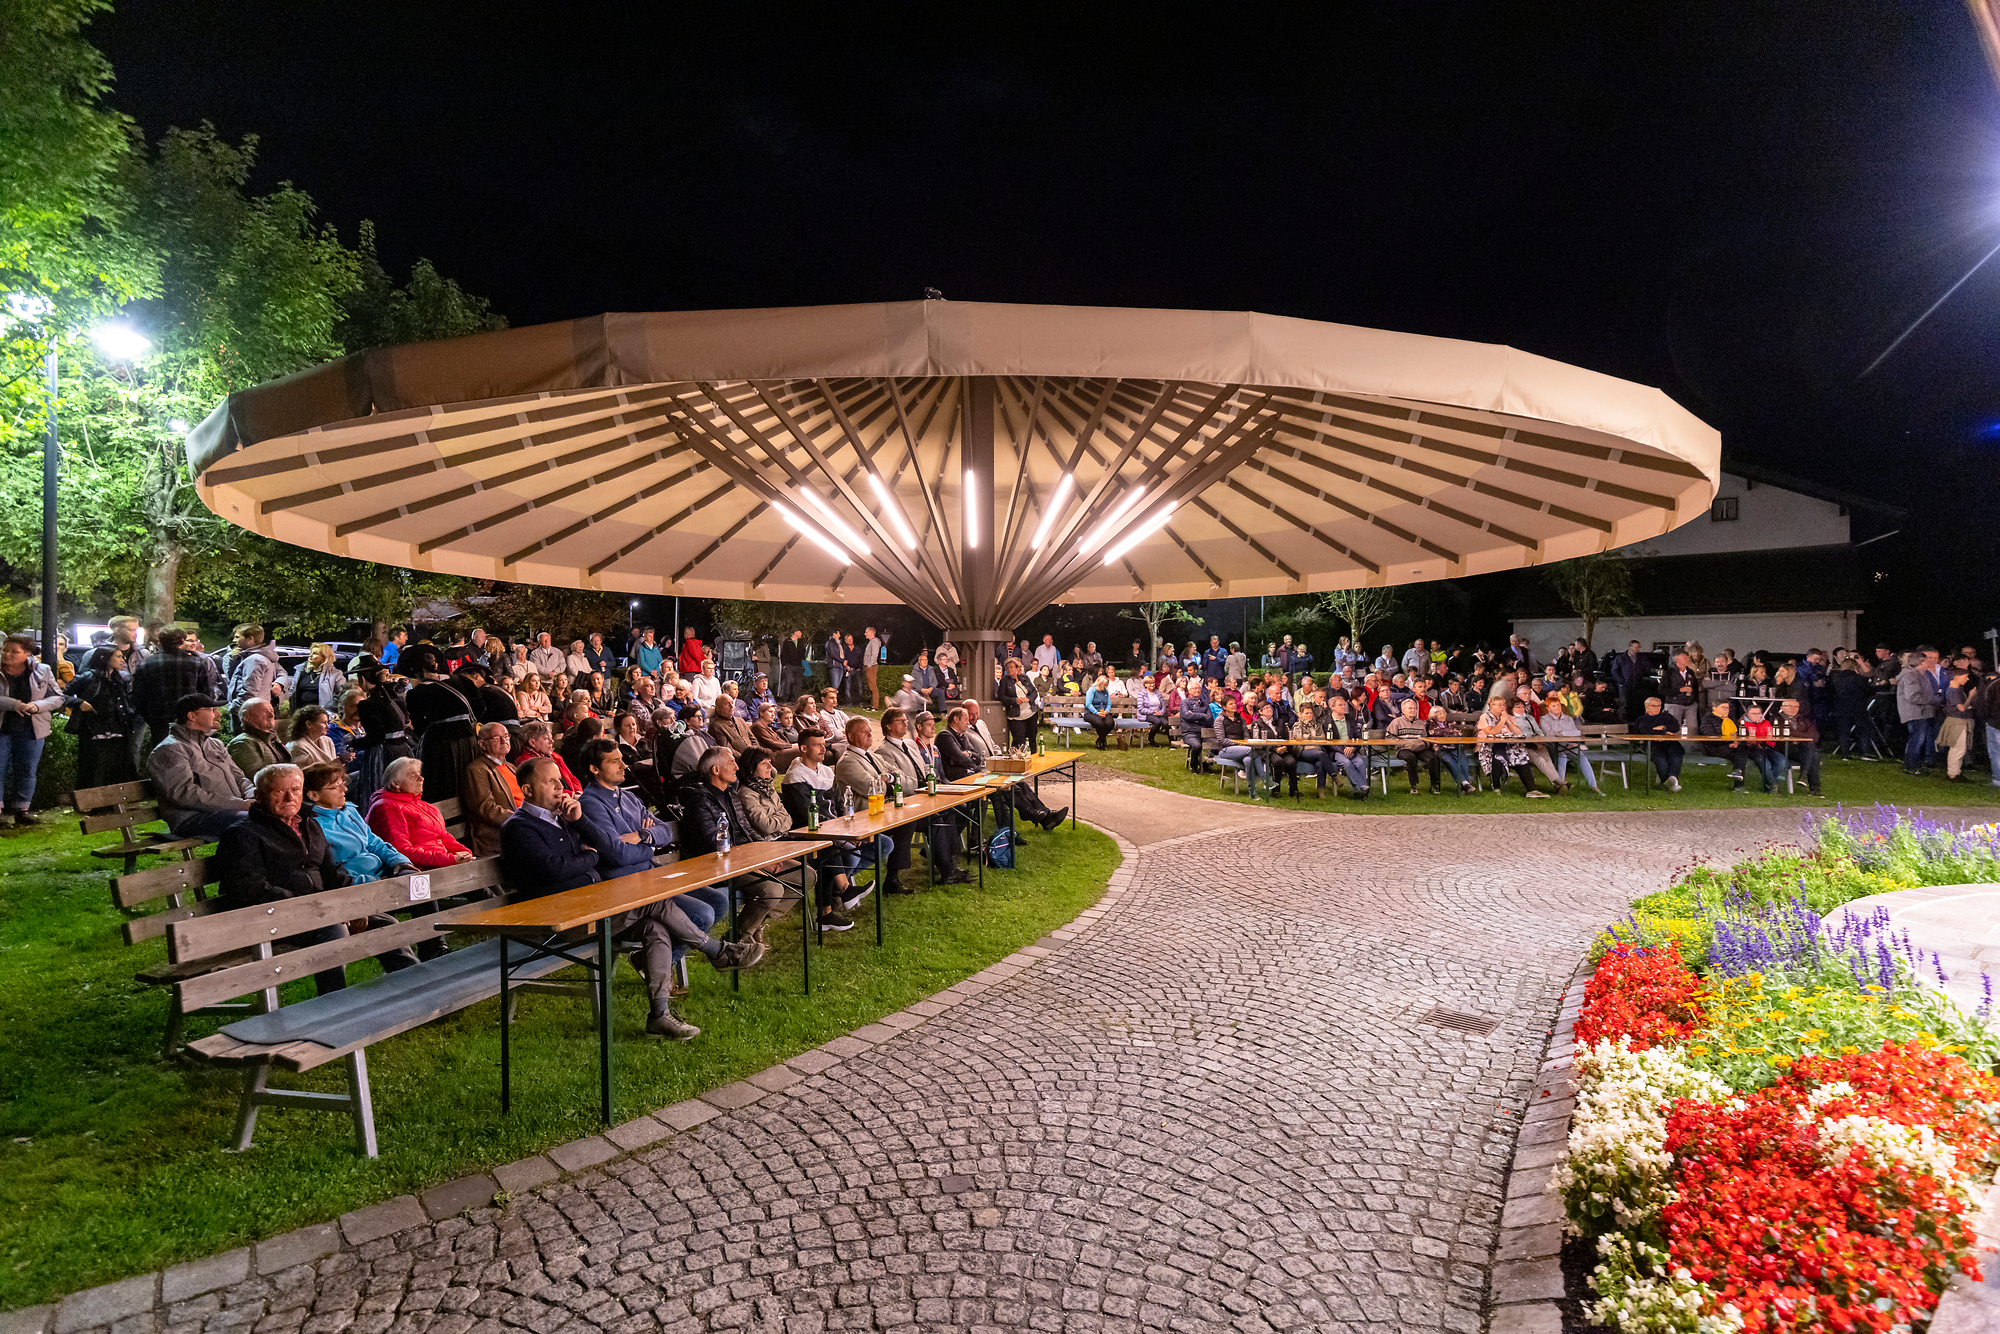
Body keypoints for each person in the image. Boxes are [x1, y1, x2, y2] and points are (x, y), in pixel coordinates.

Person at [217, 764, 418, 995]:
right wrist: (319, 909)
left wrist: (351, 905)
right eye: (278, 791)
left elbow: (332, 874)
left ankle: (416, 989)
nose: (289, 797)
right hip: (271, 919)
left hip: (319, 911)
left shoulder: (309, 825)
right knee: (333, 931)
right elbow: (250, 888)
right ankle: (334, 1002)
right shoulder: (242, 834)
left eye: (295, 789)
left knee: (385, 924)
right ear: (260, 796)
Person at [148, 694, 255, 838]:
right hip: (193, 818)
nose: (219, 713)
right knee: (253, 823)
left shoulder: (215, 745)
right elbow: (184, 794)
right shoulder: (170, 749)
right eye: (211, 710)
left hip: (230, 811)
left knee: (280, 814)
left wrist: (254, 798)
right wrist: (239, 805)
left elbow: (239, 777)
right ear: (192, 716)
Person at [301, 762, 419, 883]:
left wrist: (400, 861)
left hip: (381, 870)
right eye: (335, 787)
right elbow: (332, 872)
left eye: (343, 784)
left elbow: (374, 843)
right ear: (314, 795)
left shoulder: (349, 811)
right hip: (359, 883)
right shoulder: (312, 826)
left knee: (419, 884)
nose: (345, 789)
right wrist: (373, 881)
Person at [366, 758, 476, 868]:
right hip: (418, 871)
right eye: (413, 776)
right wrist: (449, 859)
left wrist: (464, 852)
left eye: (420, 774)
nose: (421, 778)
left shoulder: (426, 806)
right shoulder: (386, 807)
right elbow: (400, 851)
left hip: (441, 864)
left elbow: (444, 836)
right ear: (396, 784)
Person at [131, 627, 221, 759]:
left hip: (159, 719)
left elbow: (138, 696)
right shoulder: (196, 663)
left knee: (163, 757)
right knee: (193, 756)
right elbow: (207, 695)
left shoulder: (146, 664)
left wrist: (149, 716)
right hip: (190, 719)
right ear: (182, 641)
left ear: (159, 641)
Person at [66, 644, 140, 791]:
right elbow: (60, 694)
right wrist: (78, 702)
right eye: (118, 656)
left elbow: (126, 701)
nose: (122, 660)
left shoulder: (121, 678)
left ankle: (114, 800)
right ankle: (91, 800)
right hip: (93, 726)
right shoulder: (88, 677)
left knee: (117, 764)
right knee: (94, 764)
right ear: (105, 658)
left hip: (118, 726)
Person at [348, 655, 414, 805]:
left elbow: (376, 737)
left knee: (383, 793)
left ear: (362, 679)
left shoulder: (367, 704)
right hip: (402, 750)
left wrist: (354, 743)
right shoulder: (395, 698)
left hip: (384, 754)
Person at [463, 722, 523, 858]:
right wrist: (521, 819)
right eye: (496, 738)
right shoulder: (477, 770)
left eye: (506, 736)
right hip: (499, 834)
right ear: (482, 744)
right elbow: (486, 808)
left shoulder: (510, 766)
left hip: (522, 825)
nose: (504, 741)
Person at [221, 625, 286, 730]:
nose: (234, 640)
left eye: (237, 637)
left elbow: (249, 692)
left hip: (248, 714)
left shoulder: (255, 660)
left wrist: (234, 708)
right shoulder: (251, 657)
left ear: (250, 639)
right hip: (253, 712)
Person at [1386, 697, 1443, 795]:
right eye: (1410, 708)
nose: (1413, 710)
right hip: (1404, 749)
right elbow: (1389, 738)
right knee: (1411, 758)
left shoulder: (1421, 723)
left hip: (1420, 749)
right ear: (1403, 710)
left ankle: (1435, 786)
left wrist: (1424, 744)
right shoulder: (1396, 722)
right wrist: (1403, 743)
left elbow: (1426, 739)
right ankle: (1414, 786)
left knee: (1434, 758)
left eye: (1415, 708)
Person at [1895, 650, 1939, 776]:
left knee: (1917, 739)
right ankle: (1912, 766)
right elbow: (1913, 696)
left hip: (1921, 712)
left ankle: (1913, 765)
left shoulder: (1919, 674)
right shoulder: (1911, 676)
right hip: (1916, 713)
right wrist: (1932, 700)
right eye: (1926, 660)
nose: (1930, 662)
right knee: (1916, 740)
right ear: (1920, 662)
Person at [1628, 697, 1685, 791]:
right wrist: (1666, 732)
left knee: (1676, 755)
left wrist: (1663, 728)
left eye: (1659, 706)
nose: (1657, 708)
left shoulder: (1666, 716)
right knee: (1661, 759)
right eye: (1654, 706)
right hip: (1653, 744)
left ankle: (1673, 779)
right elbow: (1645, 731)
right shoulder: (1642, 719)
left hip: (1670, 743)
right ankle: (1668, 782)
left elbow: (1675, 727)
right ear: (1647, 707)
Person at [227, 700, 290, 783]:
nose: (272, 715)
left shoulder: (272, 738)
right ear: (247, 718)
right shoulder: (243, 743)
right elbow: (257, 780)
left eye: (271, 711)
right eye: (264, 711)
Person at [1773, 697, 1823, 796]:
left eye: (1796, 706)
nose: (1793, 708)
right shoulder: (1778, 720)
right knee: (1813, 754)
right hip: (1786, 749)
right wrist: (1803, 736)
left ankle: (1804, 778)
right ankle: (1813, 788)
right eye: (1790, 706)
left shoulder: (1804, 719)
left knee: (1813, 752)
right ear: (1782, 707)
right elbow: (1784, 735)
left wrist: (1797, 738)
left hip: (1803, 750)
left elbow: (1815, 735)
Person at [997, 657, 1041, 750]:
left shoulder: (1024, 678)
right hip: (1016, 715)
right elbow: (1001, 697)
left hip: (1030, 713)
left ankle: (1034, 758)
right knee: (1019, 740)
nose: (1009, 669)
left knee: (1032, 738)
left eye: (1011, 667)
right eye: (1007, 668)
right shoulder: (1004, 681)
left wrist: (1028, 699)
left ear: (1017, 668)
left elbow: (1034, 692)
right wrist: (1014, 700)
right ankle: (1018, 759)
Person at [291, 643, 348, 713]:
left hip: (323, 715)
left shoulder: (335, 674)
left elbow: (342, 693)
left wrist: (329, 709)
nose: (310, 655)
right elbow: (292, 692)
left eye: (315, 653)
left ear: (324, 658)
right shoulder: (300, 671)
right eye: (311, 653)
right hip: (302, 715)